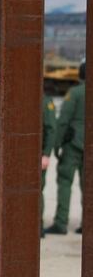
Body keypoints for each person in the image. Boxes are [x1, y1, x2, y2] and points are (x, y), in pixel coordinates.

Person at [48, 61, 85, 235]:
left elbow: (63, 120)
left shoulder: (75, 93)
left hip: (74, 144)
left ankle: (61, 222)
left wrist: (56, 144)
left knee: (65, 182)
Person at [40, 91, 58, 237]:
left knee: (36, 190)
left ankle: (37, 226)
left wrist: (46, 154)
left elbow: (51, 129)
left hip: (38, 155)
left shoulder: (45, 101)